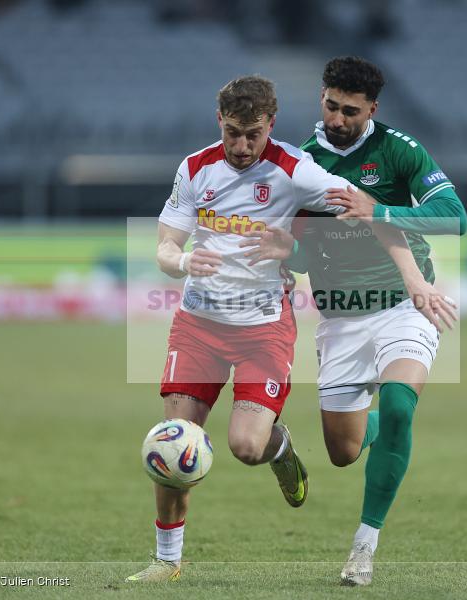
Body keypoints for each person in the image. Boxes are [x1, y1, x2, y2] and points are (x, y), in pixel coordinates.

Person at [127, 74, 450, 584]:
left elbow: (367, 214)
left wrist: (414, 279)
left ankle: (281, 451)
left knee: (246, 447)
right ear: (220, 122)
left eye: (252, 134)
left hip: (262, 329)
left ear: (270, 125)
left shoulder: (296, 170)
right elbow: (165, 247)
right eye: (232, 132)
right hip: (198, 325)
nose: (241, 145)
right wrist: (182, 260)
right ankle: (167, 560)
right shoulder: (194, 168)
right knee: (176, 442)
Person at [243, 56, 467, 586]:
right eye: (330, 105)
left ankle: (363, 549)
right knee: (343, 452)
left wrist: (381, 210)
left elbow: (454, 218)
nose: (338, 118)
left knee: (398, 408)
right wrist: (285, 249)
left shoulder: (399, 150)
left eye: (350, 110)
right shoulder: (301, 164)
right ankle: (346, 434)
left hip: (403, 306)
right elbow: (305, 252)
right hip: (341, 319)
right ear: (321, 97)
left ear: (372, 109)